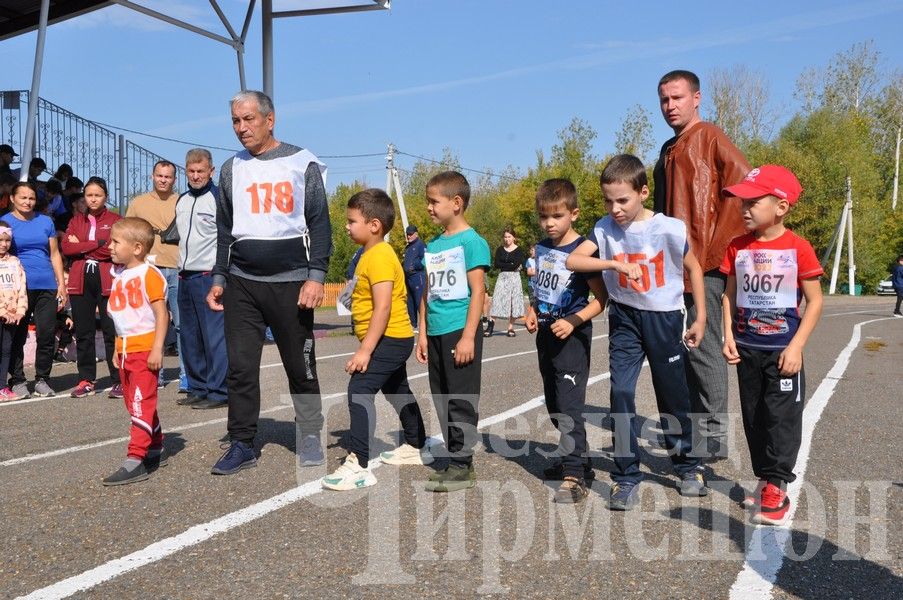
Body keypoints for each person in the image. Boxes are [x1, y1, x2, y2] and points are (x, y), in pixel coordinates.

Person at [567, 154, 709, 510]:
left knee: (672, 394)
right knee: (621, 392)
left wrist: (701, 316)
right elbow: (574, 260)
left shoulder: (668, 228)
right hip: (626, 318)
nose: (614, 208)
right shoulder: (604, 229)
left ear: (643, 192)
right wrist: (615, 263)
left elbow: (693, 268)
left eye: (622, 200)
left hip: (663, 317)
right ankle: (626, 474)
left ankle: (688, 466)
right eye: (607, 200)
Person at [207, 90, 331, 475]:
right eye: (235, 121)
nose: (241, 128)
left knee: (300, 365)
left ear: (270, 119)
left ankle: (309, 435)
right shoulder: (231, 169)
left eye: (248, 119)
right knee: (241, 368)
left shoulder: (301, 162)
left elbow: (320, 225)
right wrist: (218, 277)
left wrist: (316, 276)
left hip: (292, 283)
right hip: (242, 283)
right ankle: (242, 442)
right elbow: (225, 230)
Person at [653, 69, 751, 459]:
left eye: (677, 98)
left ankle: (710, 442)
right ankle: (691, 432)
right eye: (664, 99)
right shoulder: (668, 148)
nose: (670, 106)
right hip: (674, 267)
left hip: (705, 266)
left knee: (704, 349)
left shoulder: (709, 136)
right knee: (682, 348)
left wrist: (714, 250)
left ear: (696, 98)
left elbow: (744, 184)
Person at [720, 165, 824, 525]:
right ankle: (765, 479)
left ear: (781, 206)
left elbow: (815, 301)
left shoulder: (799, 248)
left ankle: (777, 488)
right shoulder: (737, 248)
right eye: (741, 201)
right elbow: (728, 296)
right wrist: (729, 335)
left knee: (781, 419)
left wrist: (796, 346)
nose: (743, 208)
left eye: (752, 201)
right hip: (747, 349)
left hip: (782, 353)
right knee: (755, 418)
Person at [321, 189, 431, 491]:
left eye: (351, 220)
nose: (346, 225)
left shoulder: (381, 256)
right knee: (397, 389)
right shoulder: (368, 255)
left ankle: (359, 464)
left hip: (390, 339)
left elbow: (383, 306)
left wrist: (365, 351)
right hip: (392, 338)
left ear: (374, 225)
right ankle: (417, 444)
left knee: (360, 387)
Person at [523, 179, 608, 504]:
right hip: (545, 335)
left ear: (574, 213)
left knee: (570, 406)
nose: (549, 223)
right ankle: (578, 455)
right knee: (556, 404)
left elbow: (602, 299)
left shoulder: (583, 250)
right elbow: (541, 289)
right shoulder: (543, 248)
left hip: (572, 337)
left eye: (556, 216)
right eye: (544, 217)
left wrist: (574, 321)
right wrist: (532, 309)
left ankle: (575, 476)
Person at [416, 171, 490, 492]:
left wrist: (468, 336)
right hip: (434, 330)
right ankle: (455, 456)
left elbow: (478, 292)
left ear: (456, 203)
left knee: (461, 397)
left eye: (434, 202)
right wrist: (421, 332)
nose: (429, 208)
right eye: (428, 202)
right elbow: (426, 292)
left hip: (460, 329)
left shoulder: (472, 242)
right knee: (442, 396)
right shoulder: (432, 245)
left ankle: (462, 465)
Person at [102, 218, 169, 485]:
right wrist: (119, 348)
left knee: (141, 403)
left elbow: (161, 315)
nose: (110, 247)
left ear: (137, 247)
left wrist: (157, 349)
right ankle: (156, 444)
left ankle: (135, 458)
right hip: (126, 350)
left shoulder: (149, 274)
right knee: (133, 403)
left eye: (116, 242)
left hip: (145, 350)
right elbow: (122, 317)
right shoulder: (119, 275)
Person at [126, 160, 187, 392]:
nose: (163, 180)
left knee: (181, 324)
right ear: (152, 176)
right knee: (150, 324)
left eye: (168, 177)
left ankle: (186, 376)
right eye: (160, 176)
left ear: (174, 179)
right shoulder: (138, 203)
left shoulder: (182, 201)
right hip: (148, 270)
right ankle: (155, 376)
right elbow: (127, 231)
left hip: (177, 267)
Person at [174, 149, 228, 410]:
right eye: (191, 171)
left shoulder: (218, 199)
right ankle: (198, 387)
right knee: (190, 336)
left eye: (201, 171)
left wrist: (221, 275)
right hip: (184, 276)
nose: (196, 176)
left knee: (214, 337)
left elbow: (227, 241)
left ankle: (219, 390)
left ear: (211, 171)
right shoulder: (181, 200)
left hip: (209, 276)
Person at [61, 176, 122, 398]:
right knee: (84, 332)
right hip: (80, 282)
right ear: (84, 197)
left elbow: (116, 249)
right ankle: (86, 380)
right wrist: (98, 245)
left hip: (108, 282)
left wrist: (84, 248)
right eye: (89, 195)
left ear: (105, 196)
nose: (93, 199)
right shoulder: (76, 220)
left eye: (97, 195)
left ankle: (118, 380)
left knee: (110, 331)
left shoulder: (116, 220)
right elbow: (67, 248)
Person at [6, 182, 67, 398]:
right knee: (18, 336)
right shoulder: (5, 222)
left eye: (31, 198)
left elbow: (54, 254)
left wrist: (61, 283)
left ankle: (43, 379)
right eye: (23, 197)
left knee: (47, 334)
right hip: (18, 289)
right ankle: (18, 380)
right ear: (12, 198)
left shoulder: (45, 221)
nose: (27, 202)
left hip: (47, 285)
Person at [0, 220, 28, 401]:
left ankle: (2, 386)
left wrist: (20, 310)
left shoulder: (14, 261)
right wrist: (2, 311)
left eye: (7, 240)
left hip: (12, 316)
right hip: (2, 314)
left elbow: (22, 287)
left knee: (6, 350)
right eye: (0, 240)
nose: (4, 244)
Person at [487, 227, 525, 337]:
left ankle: (510, 328)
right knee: (497, 299)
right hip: (502, 277)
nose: (507, 239)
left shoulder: (519, 250)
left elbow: (517, 264)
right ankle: (490, 326)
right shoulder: (500, 249)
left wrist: (510, 265)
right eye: (505, 237)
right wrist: (511, 265)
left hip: (514, 278)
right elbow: (497, 264)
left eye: (509, 237)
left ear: (514, 237)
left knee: (514, 301)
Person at [402, 224, 426, 329]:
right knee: (410, 302)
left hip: (418, 277)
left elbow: (425, 260)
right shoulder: (408, 247)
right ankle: (413, 324)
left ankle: (425, 324)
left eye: (411, 234)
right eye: (407, 234)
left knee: (419, 301)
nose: (409, 236)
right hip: (408, 278)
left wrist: (414, 266)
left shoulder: (421, 245)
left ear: (416, 234)